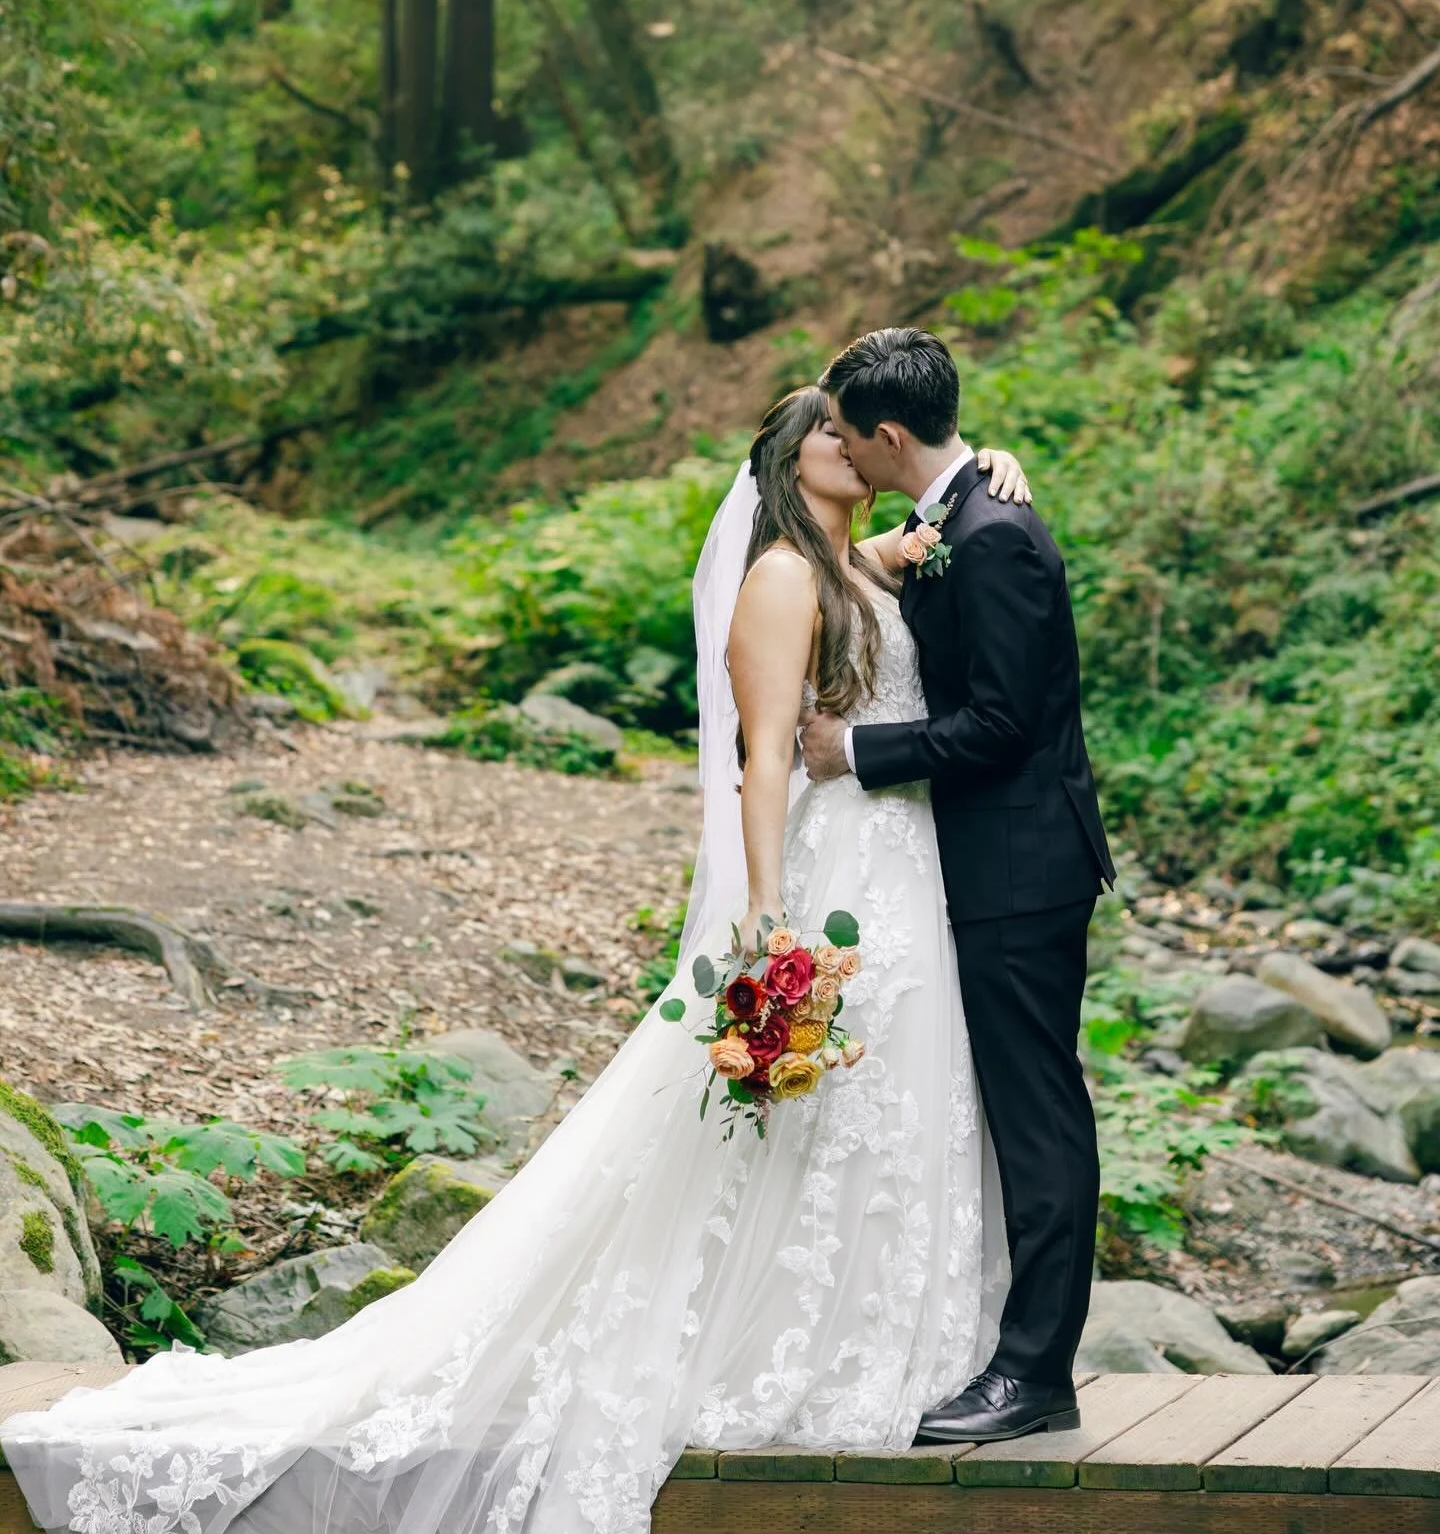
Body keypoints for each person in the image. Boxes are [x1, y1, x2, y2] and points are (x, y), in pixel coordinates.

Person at [1, 389, 1032, 1534]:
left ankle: (876, 1331)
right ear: (789, 466)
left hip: (906, 875)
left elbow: (936, 508)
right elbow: (761, 758)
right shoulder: (785, 577)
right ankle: (762, 1335)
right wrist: (770, 912)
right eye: (827, 433)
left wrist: (987, 462)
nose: (851, 443)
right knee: (792, 1117)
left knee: (886, 1111)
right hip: (832, 875)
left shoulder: (860, 567)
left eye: (856, 429)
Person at [801, 326, 1114, 1445]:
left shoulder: (993, 538)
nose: (833, 440)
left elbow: (1002, 725)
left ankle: (1036, 1373)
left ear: (889, 435)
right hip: (979, 864)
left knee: (1039, 1117)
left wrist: (858, 756)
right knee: (1012, 1112)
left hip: (1023, 869)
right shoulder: (954, 518)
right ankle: (1009, 1349)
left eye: (843, 429)